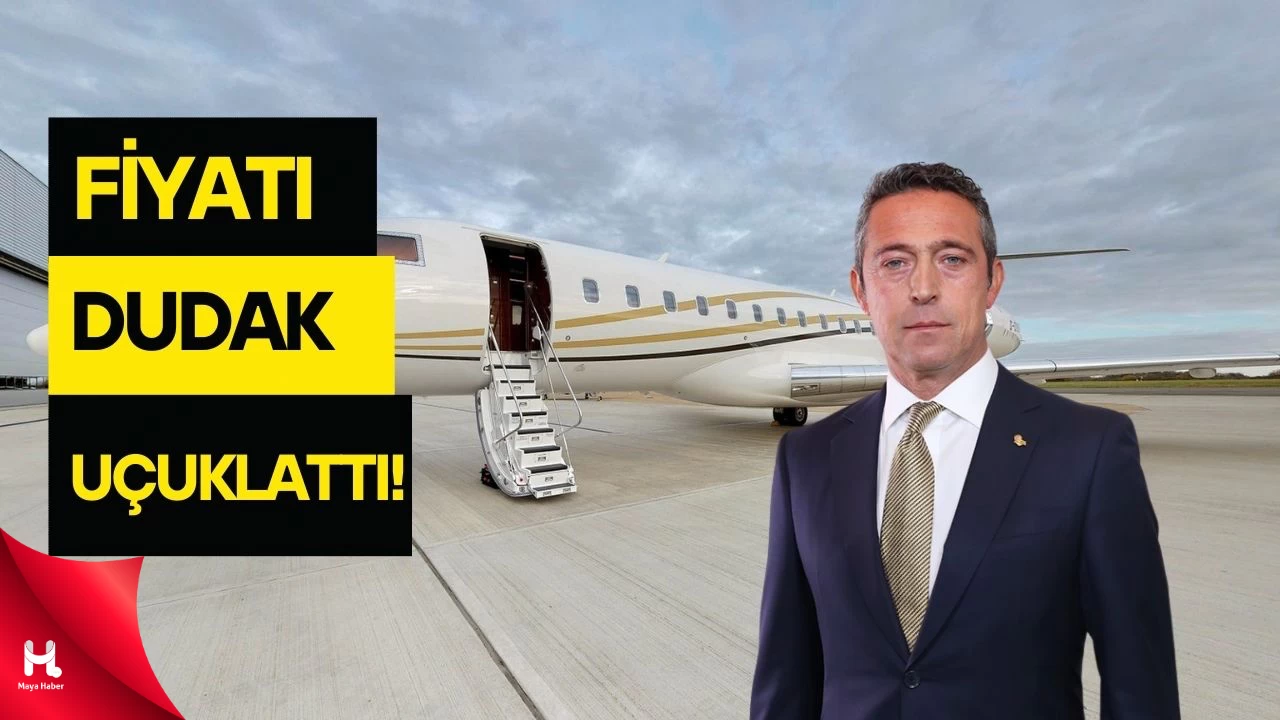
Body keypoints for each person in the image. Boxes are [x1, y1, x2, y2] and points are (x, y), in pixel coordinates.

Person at [749, 162, 1180, 718]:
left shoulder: (1091, 449)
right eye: (895, 262)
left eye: (952, 259)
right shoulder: (805, 457)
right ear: (861, 289)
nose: (923, 289)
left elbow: (1141, 686)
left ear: (992, 282)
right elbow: (786, 673)